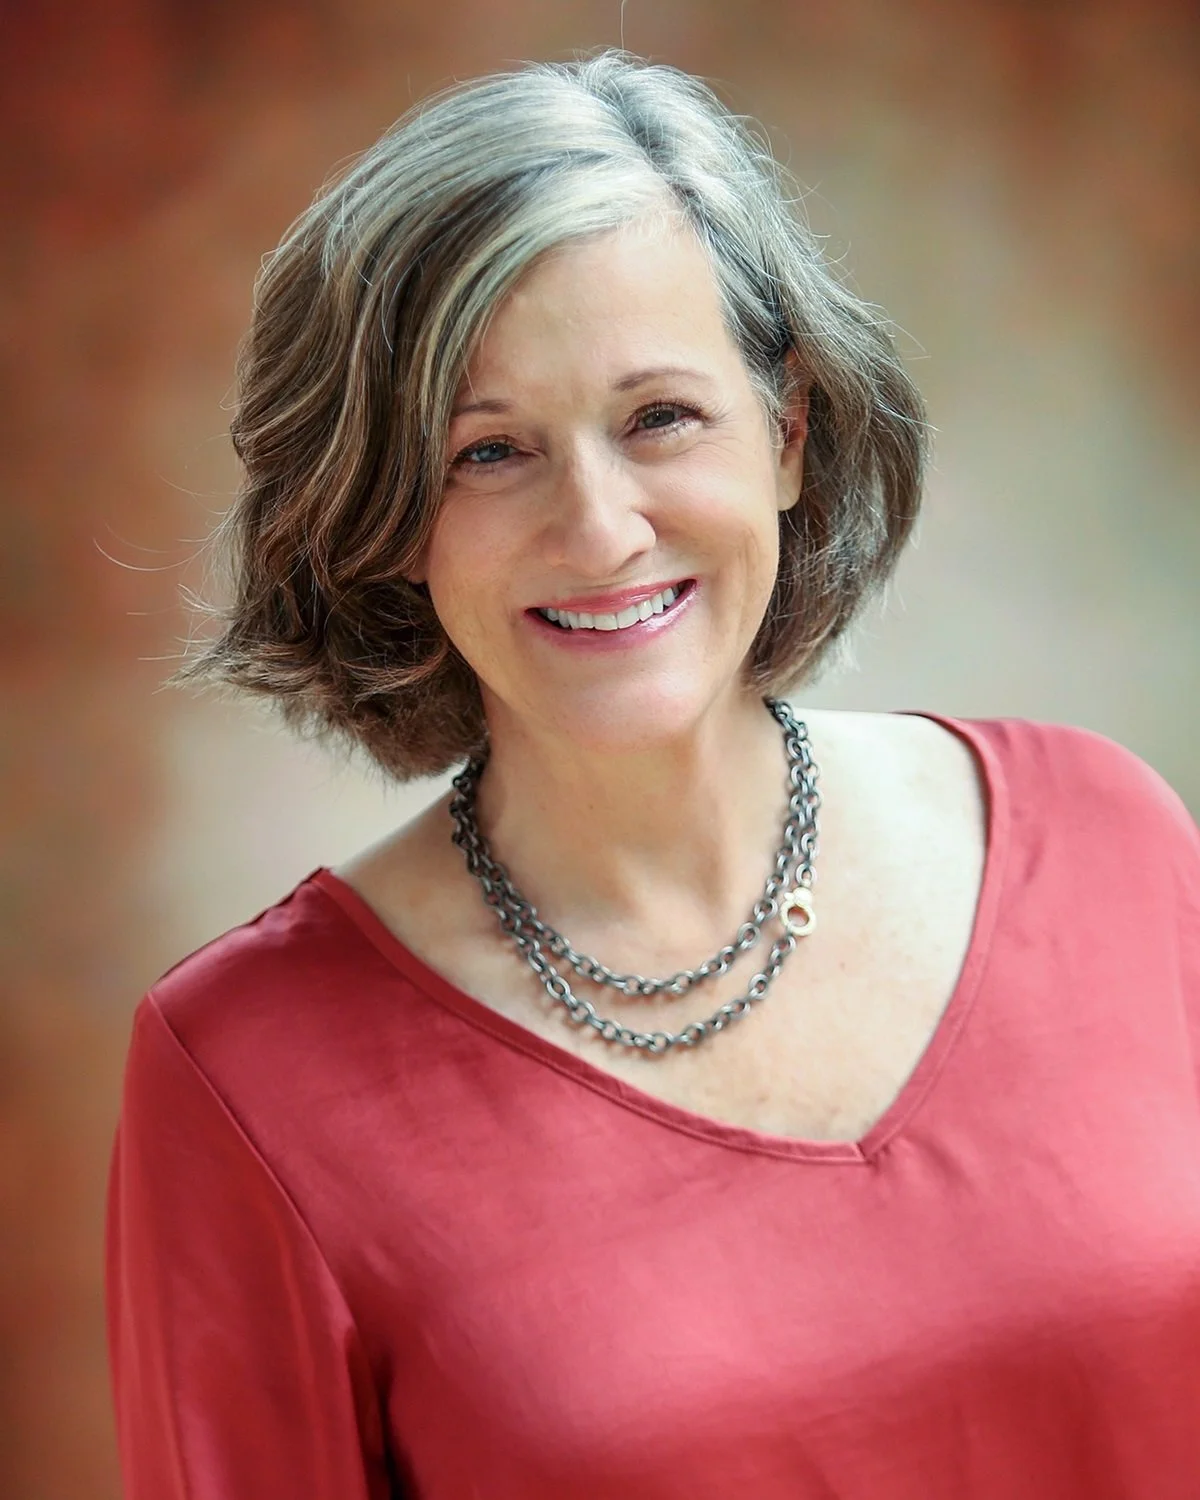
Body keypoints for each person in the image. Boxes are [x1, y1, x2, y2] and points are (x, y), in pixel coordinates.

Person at [104, 48, 1200, 1500]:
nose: (601, 527)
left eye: (659, 419)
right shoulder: (246, 1078)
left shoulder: (1112, 837)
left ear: (790, 434)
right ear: (387, 518)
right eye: (488, 452)